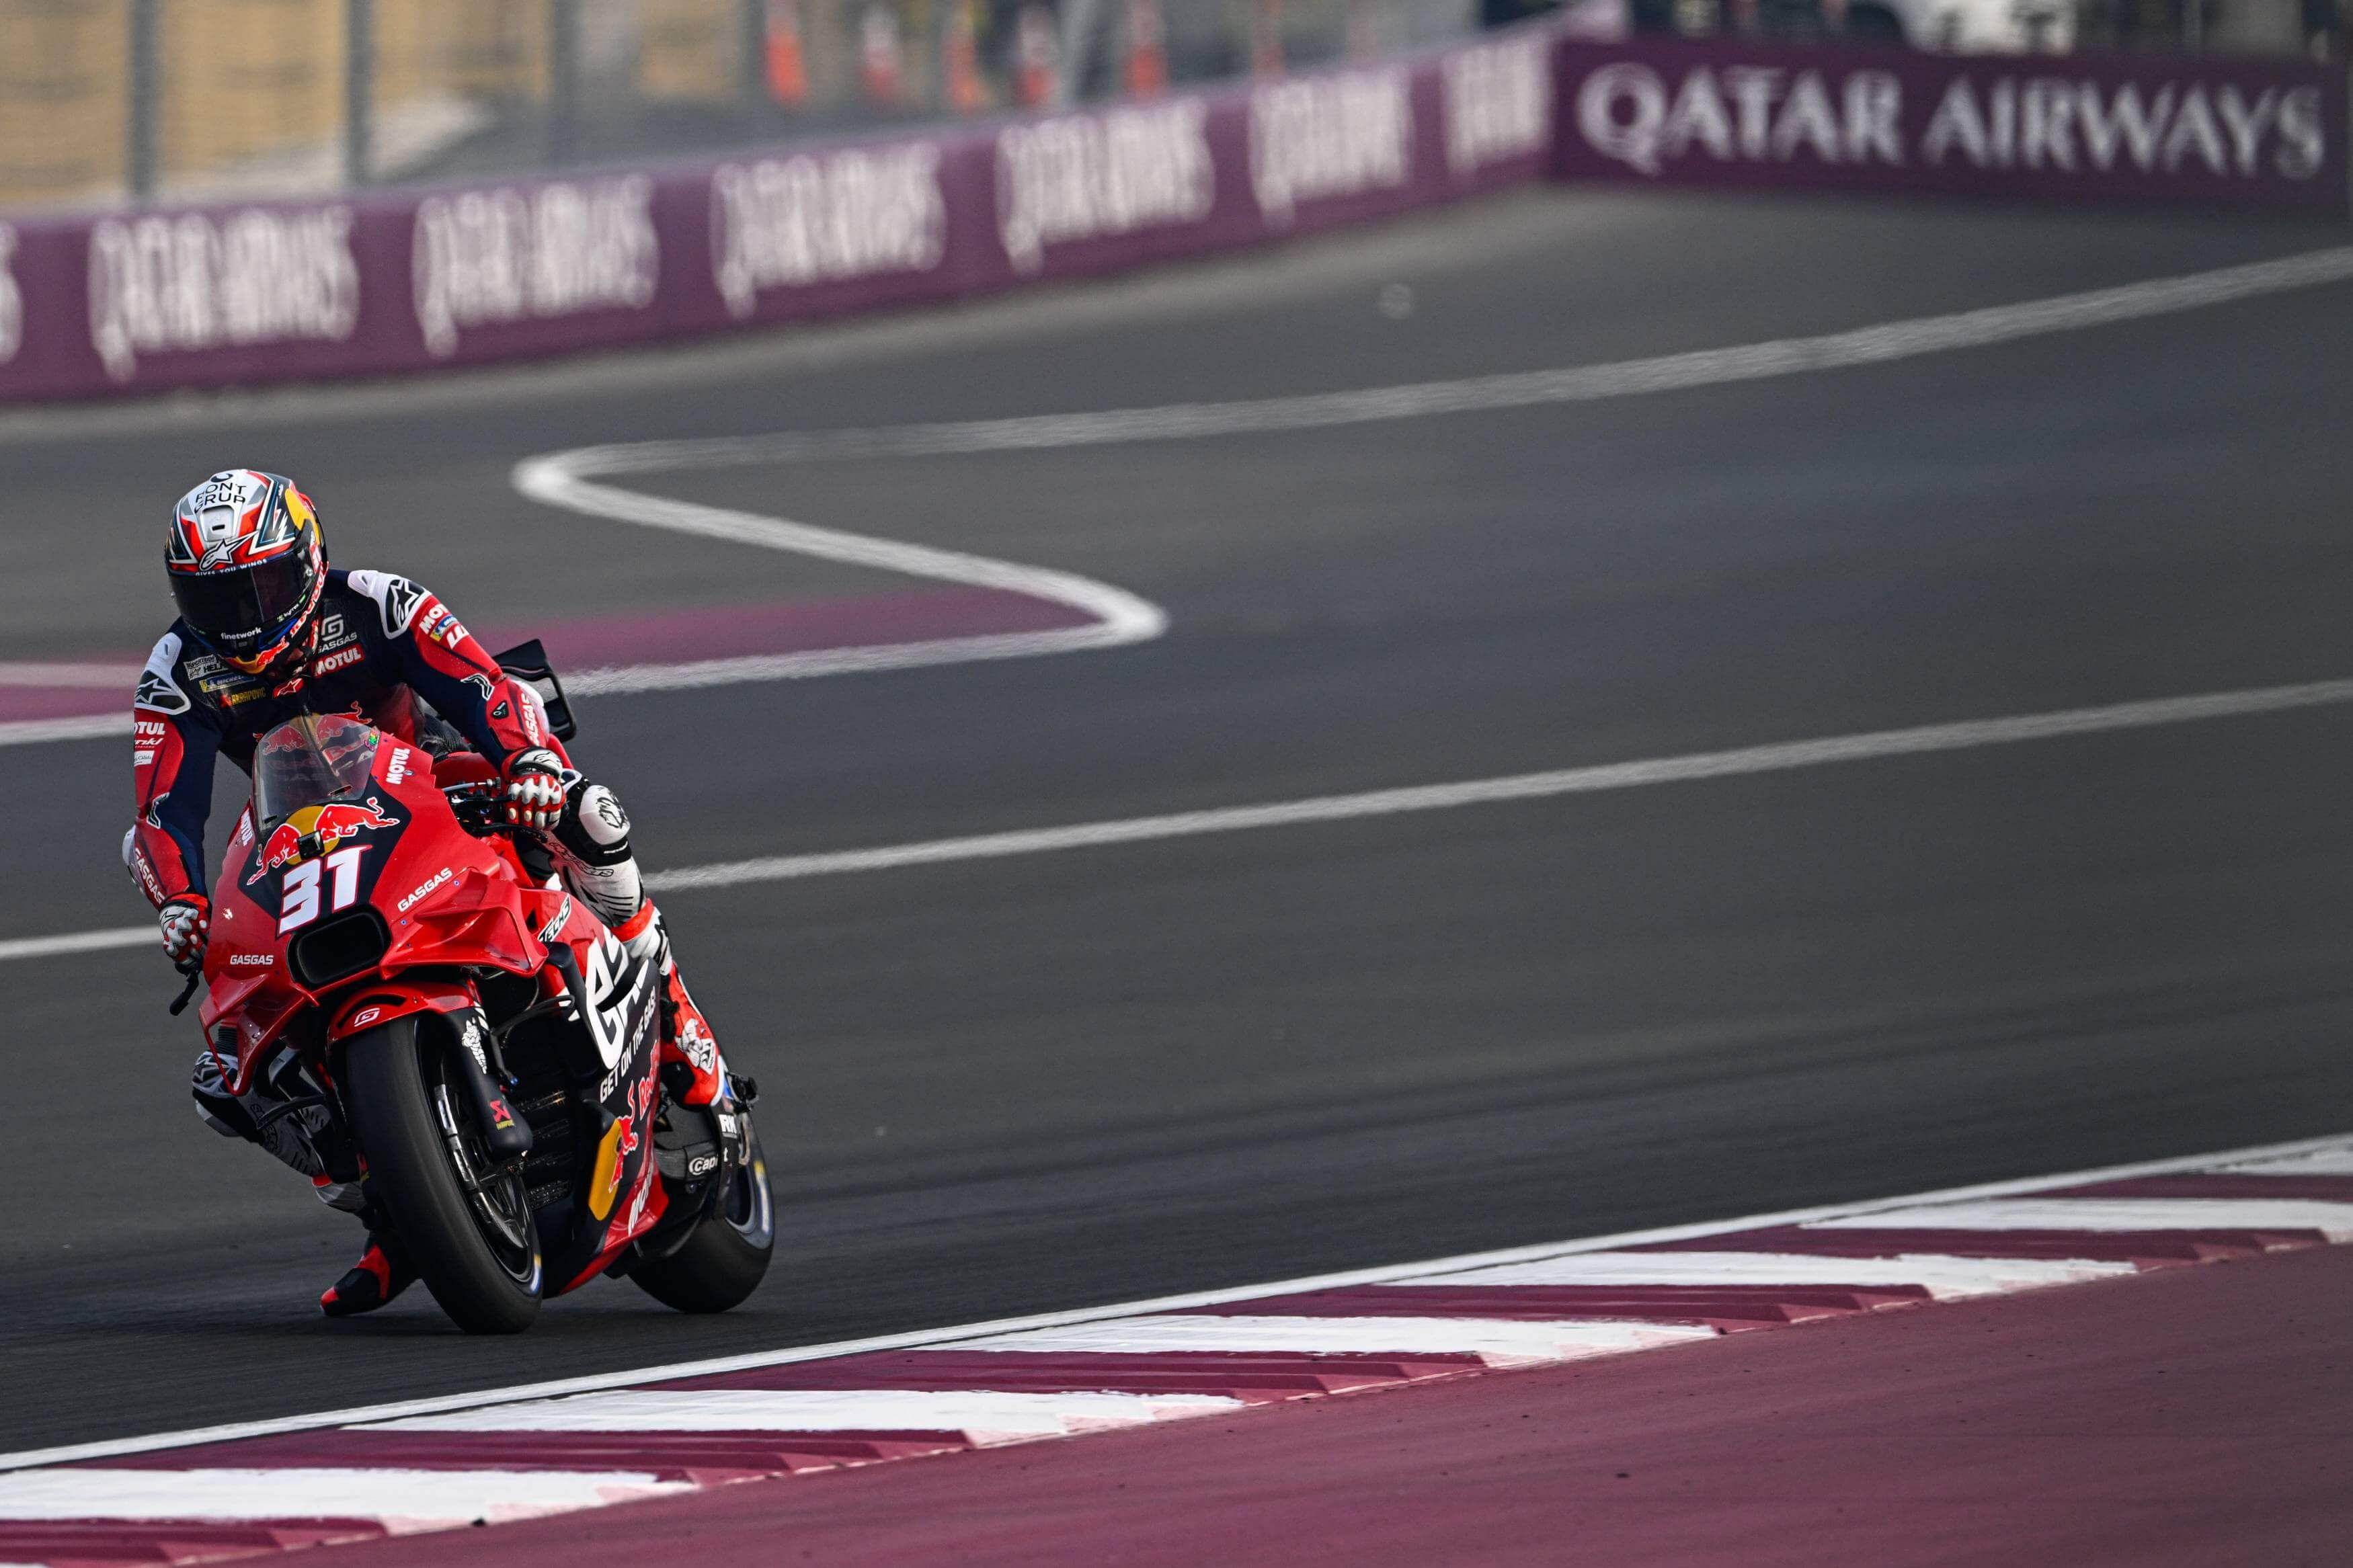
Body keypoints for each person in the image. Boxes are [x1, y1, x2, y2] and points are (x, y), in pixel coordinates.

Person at [127, 469, 731, 1317]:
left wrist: (528, 762)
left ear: (307, 561)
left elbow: (486, 686)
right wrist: (182, 903)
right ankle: (392, 1211)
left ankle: (675, 1019)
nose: (239, 617)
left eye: (259, 587)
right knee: (227, 1072)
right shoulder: (178, 668)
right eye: (213, 597)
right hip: (300, 823)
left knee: (588, 813)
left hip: (434, 773)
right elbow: (161, 813)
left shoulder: (377, 603)